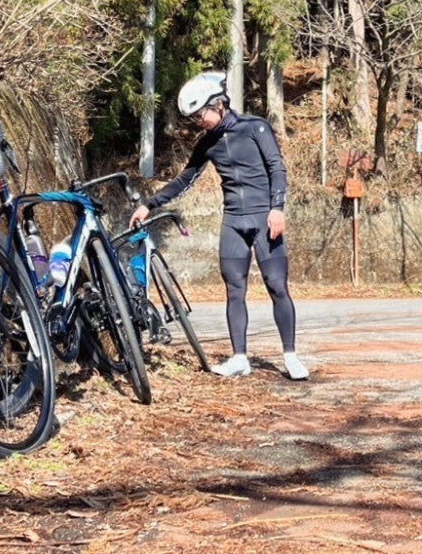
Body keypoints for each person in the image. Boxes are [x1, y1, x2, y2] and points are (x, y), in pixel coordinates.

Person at [130, 71, 308, 380]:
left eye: (201, 115)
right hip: (234, 221)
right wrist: (150, 204)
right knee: (234, 290)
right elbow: (185, 179)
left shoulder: (256, 128)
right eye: (193, 118)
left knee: (277, 286)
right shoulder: (208, 144)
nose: (199, 122)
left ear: (219, 104)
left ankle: (291, 356)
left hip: (265, 218)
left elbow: (277, 168)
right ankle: (239, 358)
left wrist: (277, 209)